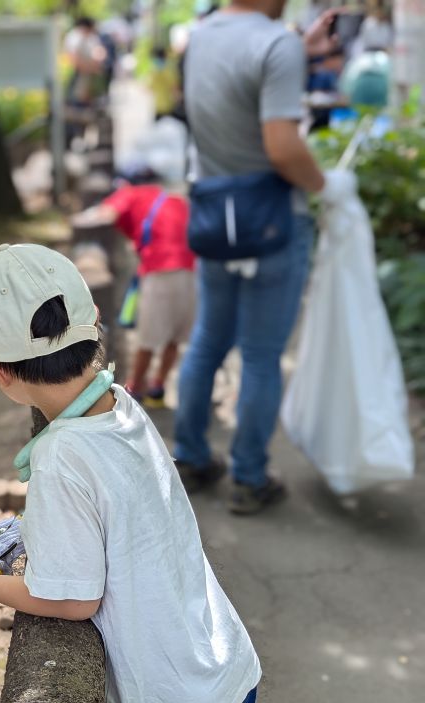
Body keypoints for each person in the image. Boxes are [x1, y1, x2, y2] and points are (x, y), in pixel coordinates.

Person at [0, 243, 262, 703]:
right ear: (95, 321)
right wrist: (30, 530)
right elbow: (120, 512)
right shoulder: (119, 404)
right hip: (225, 666)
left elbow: (71, 599)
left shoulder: (60, 456)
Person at [174, 0, 348, 514]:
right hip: (273, 220)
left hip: (214, 216)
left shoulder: (201, 36)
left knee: (208, 341)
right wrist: (327, 186)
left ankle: (190, 458)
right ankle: (249, 479)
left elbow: (237, 76)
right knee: (260, 354)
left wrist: (299, 48)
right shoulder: (277, 44)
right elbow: (283, 149)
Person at [74, 181, 196, 407]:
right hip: (191, 270)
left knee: (148, 338)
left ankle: (134, 390)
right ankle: (157, 388)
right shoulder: (171, 198)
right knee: (174, 336)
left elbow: (106, 213)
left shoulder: (129, 194)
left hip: (160, 269)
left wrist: (78, 219)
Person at [64, 16, 107, 107]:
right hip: (78, 72)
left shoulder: (91, 36)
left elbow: (98, 49)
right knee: (76, 98)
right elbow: (73, 58)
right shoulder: (74, 37)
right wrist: (89, 68)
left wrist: (98, 61)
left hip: (89, 73)